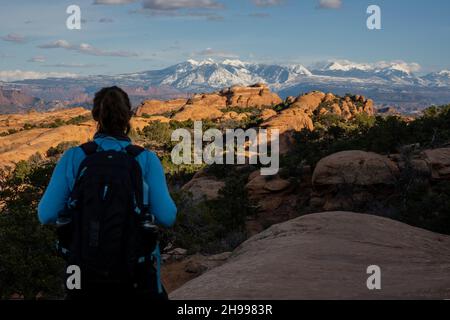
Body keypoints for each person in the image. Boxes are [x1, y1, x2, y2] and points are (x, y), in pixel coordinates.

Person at [37, 86, 177, 299]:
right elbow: (167, 216)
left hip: (80, 269)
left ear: (96, 116)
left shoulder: (74, 157)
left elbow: (45, 213)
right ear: (129, 116)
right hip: (134, 270)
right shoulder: (145, 159)